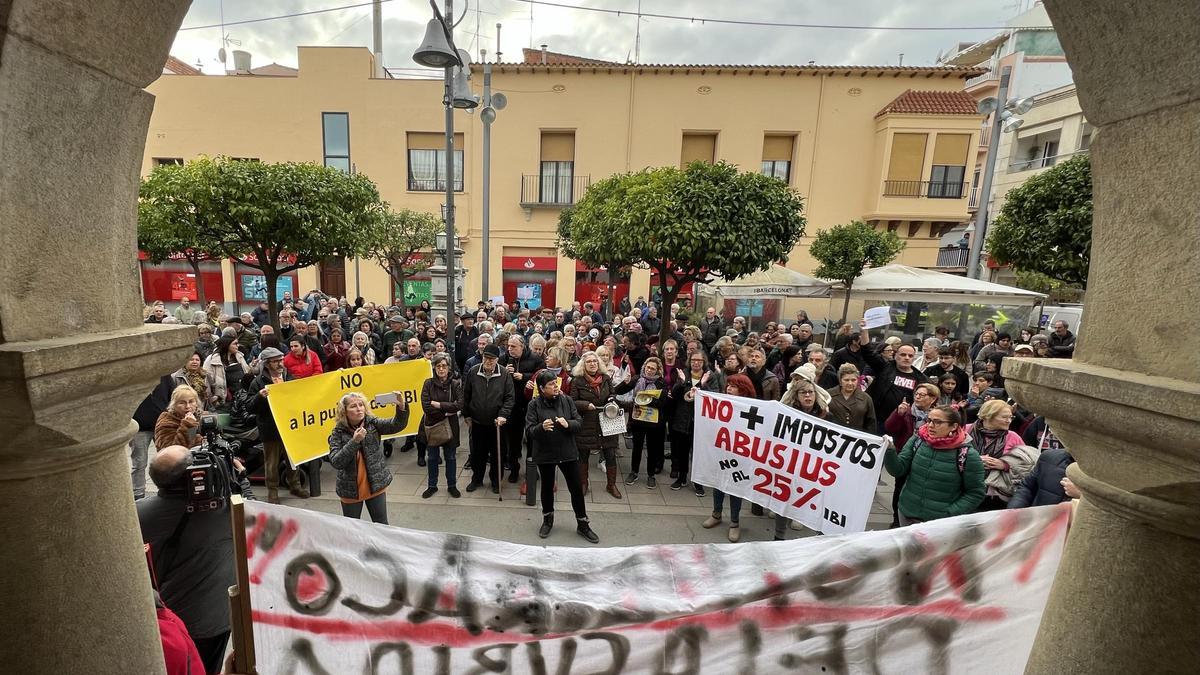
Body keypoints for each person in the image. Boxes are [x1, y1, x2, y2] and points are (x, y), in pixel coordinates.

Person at [138, 446, 234, 674]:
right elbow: (252, 513)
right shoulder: (222, 511)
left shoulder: (139, 514)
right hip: (216, 619)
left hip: (171, 619)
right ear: (193, 475)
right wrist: (235, 478)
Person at [526, 370, 598, 543]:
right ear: (542, 388)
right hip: (545, 452)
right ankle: (548, 520)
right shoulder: (534, 405)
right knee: (547, 488)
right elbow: (529, 431)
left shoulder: (566, 400)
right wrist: (541, 427)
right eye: (551, 384)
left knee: (576, 488)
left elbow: (578, 423)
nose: (555, 386)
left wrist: (569, 424)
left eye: (555, 383)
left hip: (567, 452)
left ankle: (583, 524)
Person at [883, 406, 985, 525]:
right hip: (907, 513)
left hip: (939, 524)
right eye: (929, 420)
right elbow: (898, 470)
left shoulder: (967, 455)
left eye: (937, 422)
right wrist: (890, 451)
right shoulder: (917, 440)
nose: (930, 425)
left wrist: (950, 513)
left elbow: (976, 492)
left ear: (954, 426)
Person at [327, 392, 409, 524]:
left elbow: (396, 425)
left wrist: (401, 407)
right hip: (350, 490)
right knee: (353, 528)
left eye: (361, 405)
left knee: (381, 524)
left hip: (375, 485)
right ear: (344, 412)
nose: (359, 408)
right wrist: (354, 442)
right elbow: (336, 462)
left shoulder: (372, 423)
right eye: (353, 406)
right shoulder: (338, 432)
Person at [246, 347, 308, 503]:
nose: (280, 363)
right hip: (270, 428)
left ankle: (295, 486)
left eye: (281, 360)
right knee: (271, 463)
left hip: (290, 426)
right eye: (275, 361)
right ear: (267, 364)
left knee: (293, 460)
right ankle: (272, 492)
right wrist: (260, 397)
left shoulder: (289, 377)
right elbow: (249, 407)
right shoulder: (258, 381)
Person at [702, 374, 757, 542]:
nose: (729, 388)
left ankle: (734, 522)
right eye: (728, 385)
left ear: (744, 390)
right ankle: (716, 513)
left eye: (734, 386)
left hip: (740, 455)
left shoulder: (751, 408)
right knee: (718, 484)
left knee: (735, 488)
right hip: (722, 451)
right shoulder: (721, 403)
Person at [776, 372, 828, 539]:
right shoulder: (787, 414)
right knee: (783, 498)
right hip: (790, 463)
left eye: (810, 392)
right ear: (796, 396)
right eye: (803, 392)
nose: (808, 396)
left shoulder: (825, 415)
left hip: (813, 465)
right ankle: (779, 535)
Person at [859, 321, 930, 434]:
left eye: (910, 356)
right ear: (895, 355)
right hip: (875, 419)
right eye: (903, 355)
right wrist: (864, 331)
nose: (906, 358)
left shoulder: (921, 379)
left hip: (900, 423)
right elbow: (867, 352)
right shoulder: (885, 367)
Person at [569, 351, 623, 498]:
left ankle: (611, 485)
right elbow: (572, 401)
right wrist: (586, 405)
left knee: (610, 454)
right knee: (583, 455)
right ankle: (583, 483)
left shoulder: (606, 378)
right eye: (589, 362)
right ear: (583, 365)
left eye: (595, 361)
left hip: (606, 421)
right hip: (587, 422)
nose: (592, 364)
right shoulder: (577, 380)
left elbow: (612, 394)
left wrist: (612, 399)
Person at [462, 344, 514, 494]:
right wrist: (467, 415)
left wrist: (503, 415)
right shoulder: (473, 371)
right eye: (486, 358)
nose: (488, 361)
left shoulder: (504, 374)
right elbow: (466, 395)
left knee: (498, 453)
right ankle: (477, 479)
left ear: (497, 359)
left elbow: (509, 398)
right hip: (477, 422)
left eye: (492, 359)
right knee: (478, 453)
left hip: (497, 423)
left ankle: (496, 481)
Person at [967, 400, 1035, 510]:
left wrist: (1005, 465)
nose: (1009, 421)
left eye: (1011, 417)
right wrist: (973, 459)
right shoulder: (966, 430)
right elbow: (950, 456)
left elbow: (1027, 465)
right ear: (988, 416)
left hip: (995, 496)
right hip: (964, 491)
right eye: (1004, 417)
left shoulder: (1013, 437)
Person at [499, 336, 544, 484]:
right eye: (509, 346)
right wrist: (505, 373)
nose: (510, 349)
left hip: (531, 406)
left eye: (514, 346)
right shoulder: (503, 358)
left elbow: (542, 376)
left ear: (523, 347)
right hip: (512, 406)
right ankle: (513, 469)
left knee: (532, 439)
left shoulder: (535, 358)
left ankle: (532, 468)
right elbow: (495, 376)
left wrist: (525, 377)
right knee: (513, 441)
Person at [420, 354, 464, 499]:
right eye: (438, 366)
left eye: (444, 366)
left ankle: (452, 486)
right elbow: (426, 407)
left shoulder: (455, 384)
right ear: (434, 367)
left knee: (450, 457)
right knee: (432, 457)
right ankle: (432, 486)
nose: (441, 369)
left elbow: (459, 404)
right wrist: (446, 412)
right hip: (432, 426)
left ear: (449, 367)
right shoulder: (428, 383)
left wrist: (439, 405)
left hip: (450, 427)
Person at [620, 356, 668, 488]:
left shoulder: (661, 383)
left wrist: (645, 399)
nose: (649, 370)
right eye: (648, 367)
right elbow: (619, 391)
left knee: (652, 449)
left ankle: (650, 475)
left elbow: (663, 403)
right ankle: (634, 472)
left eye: (653, 368)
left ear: (658, 370)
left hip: (654, 423)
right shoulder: (637, 379)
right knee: (637, 448)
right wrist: (625, 382)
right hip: (638, 421)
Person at [668, 350, 710, 495]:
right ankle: (682, 477)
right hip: (683, 419)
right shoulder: (683, 374)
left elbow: (715, 395)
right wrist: (682, 382)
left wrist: (703, 385)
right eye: (693, 360)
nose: (696, 363)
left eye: (699, 360)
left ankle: (698, 481)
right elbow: (674, 393)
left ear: (704, 362)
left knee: (698, 453)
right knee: (682, 451)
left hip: (701, 422)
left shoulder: (710, 376)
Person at [1009, 449, 1078, 508]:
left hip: (1075, 521)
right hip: (1039, 519)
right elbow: (1027, 488)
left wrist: (1082, 495)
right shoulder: (1049, 457)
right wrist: (1014, 512)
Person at [202, 336, 249, 412]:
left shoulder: (239, 356)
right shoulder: (212, 359)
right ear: (227, 345)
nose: (238, 346)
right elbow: (206, 379)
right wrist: (213, 398)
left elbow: (247, 372)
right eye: (235, 344)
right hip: (222, 400)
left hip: (241, 397)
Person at [826, 364, 876, 433]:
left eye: (853, 380)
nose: (850, 383)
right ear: (840, 381)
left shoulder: (866, 398)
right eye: (846, 380)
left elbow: (871, 424)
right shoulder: (828, 395)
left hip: (856, 439)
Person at [155, 385, 204, 450]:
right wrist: (188, 425)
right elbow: (172, 451)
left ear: (196, 403)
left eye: (191, 401)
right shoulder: (166, 421)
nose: (188, 406)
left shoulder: (198, 417)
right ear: (174, 405)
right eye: (182, 403)